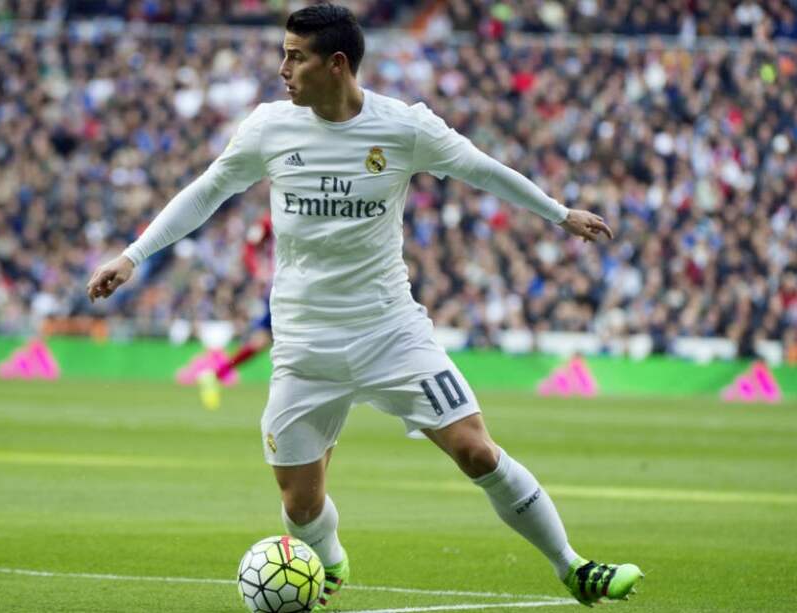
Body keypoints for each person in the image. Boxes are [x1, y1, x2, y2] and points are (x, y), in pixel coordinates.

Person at [86, 4, 643, 609]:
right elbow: (208, 190)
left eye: (295, 57)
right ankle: (327, 558)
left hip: (389, 332)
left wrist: (560, 215)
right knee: (300, 503)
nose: (282, 69)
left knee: (477, 449)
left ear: (337, 63)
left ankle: (572, 567)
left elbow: (482, 170)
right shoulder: (270, 128)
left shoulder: (403, 127)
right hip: (303, 345)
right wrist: (133, 256)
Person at [196, 213, 275, 409]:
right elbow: (249, 247)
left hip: (295, 287)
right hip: (282, 288)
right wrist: (259, 271)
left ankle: (216, 374)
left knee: (262, 340)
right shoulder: (268, 219)